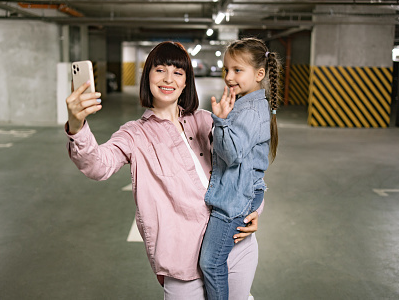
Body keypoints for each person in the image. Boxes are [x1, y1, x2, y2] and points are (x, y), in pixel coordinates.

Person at [65, 41, 262, 299]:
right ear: (147, 76)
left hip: (234, 243)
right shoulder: (134, 134)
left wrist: (255, 210)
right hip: (183, 262)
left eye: (178, 73)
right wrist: (77, 124)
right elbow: (97, 165)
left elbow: (244, 166)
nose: (168, 78)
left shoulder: (204, 120)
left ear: (185, 82)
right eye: (160, 70)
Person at [199, 38, 281, 300]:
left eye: (237, 70)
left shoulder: (251, 111)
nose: (229, 76)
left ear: (259, 74)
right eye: (226, 70)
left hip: (236, 197)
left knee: (211, 263)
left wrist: (221, 122)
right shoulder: (246, 103)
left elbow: (232, 155)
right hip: (240, 190)